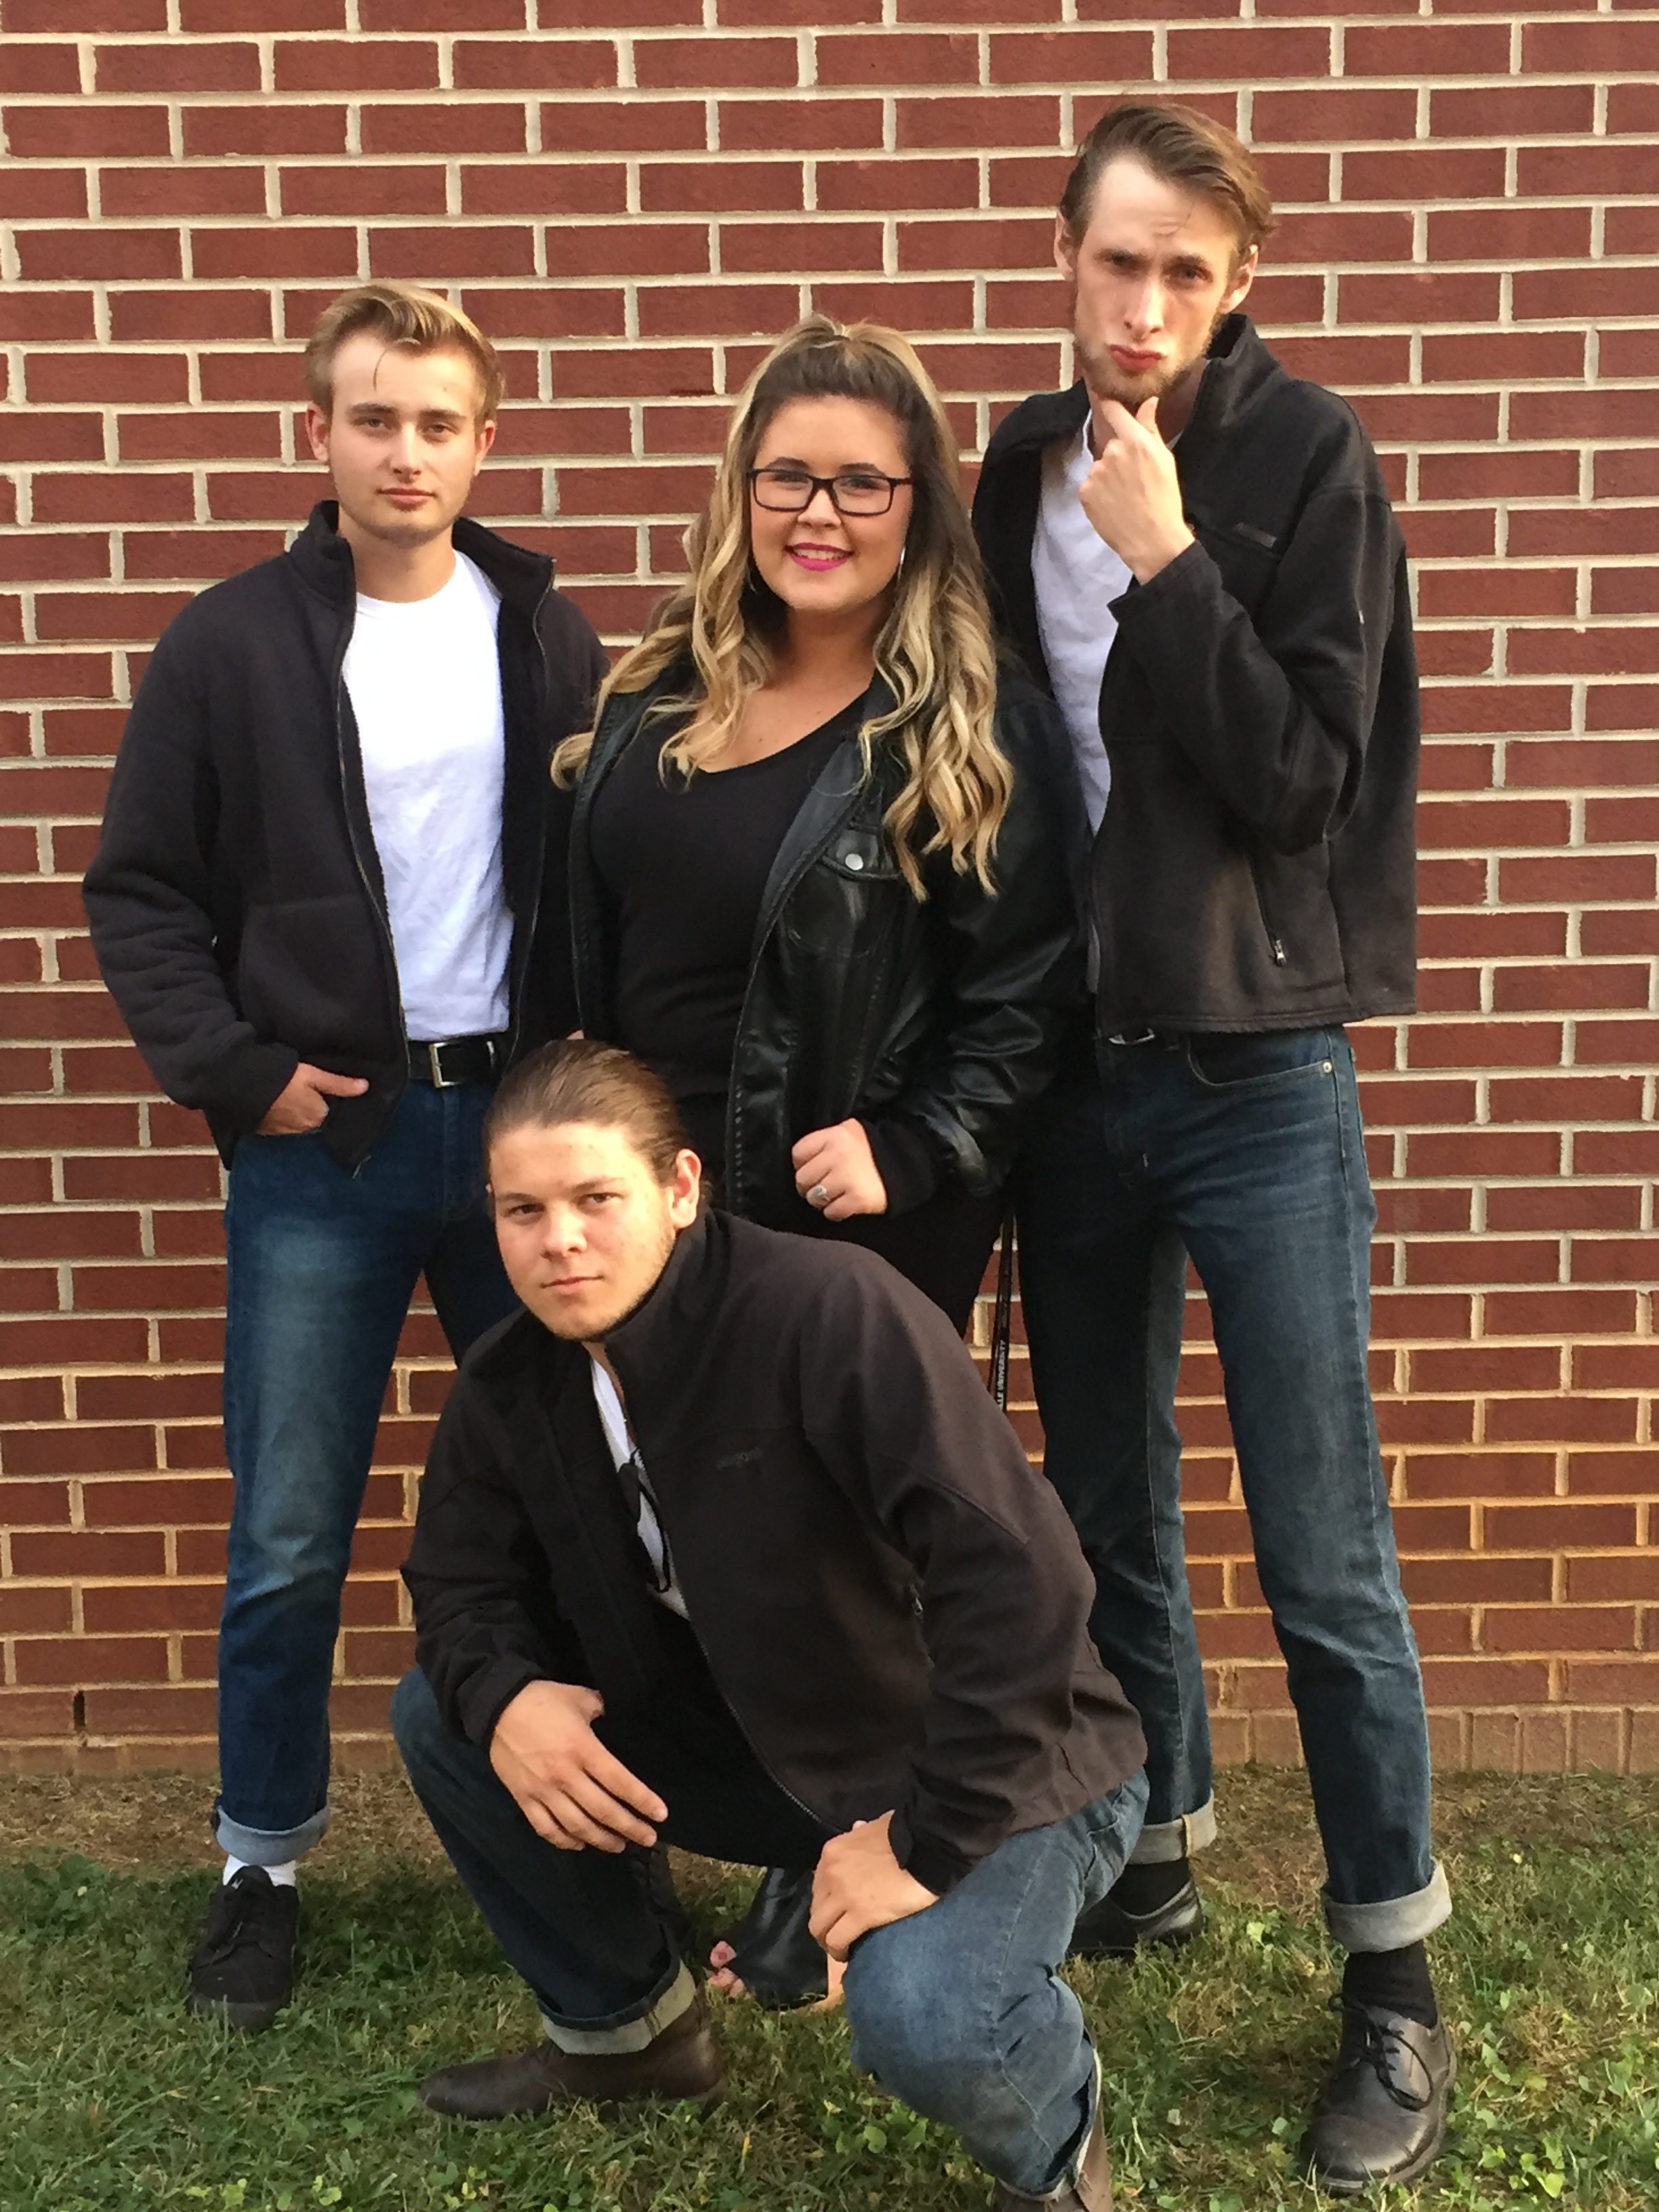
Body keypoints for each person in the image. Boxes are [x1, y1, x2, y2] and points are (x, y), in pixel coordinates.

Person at [970, 102, 1453, 2194]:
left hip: (1259, 1076)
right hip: (1078, 1083)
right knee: (1104, 1517)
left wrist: (1171, 559)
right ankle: (1152, 1853)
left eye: (1187, 269)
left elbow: (1303, 783)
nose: (1146, 303)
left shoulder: (1299, 463)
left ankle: (1394, 1983)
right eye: (1116, 262)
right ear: (1064, 264)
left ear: (1234, 282)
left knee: (1322, 1551)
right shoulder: (1005, 470)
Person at [81, 282, 607, 2033]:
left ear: (485, 440)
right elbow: (142, 890)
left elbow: (603, 873)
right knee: (293, 1526)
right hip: (329, 1145)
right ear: (320, 433)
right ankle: (261, 1861)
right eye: (374, 417)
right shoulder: (230, 644)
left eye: (439, 420)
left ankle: (597, 1829)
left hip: (519, 1136)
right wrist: (243, 1076)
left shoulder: (541, 632)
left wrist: (587, 1091)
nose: (406, 450)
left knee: (577, 1499)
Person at [392, 1038, 1147, 2212]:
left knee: (930, 2017)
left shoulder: (826, 1313)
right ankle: (628, 2032)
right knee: (449, 1714)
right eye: (523, 1211)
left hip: (1008, 1762)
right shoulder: (513, 1378)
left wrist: (918, 1843)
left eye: (598, 1199)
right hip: (769, 1747)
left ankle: (1057, 2140)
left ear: (681, 1190)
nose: (561, 1242)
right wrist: (505, 1696)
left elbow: (1026, 1585)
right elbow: (455, 1580)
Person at [557, 313, 1082, 1338]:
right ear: (743, 491)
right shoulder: (658, 693)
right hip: (646, 1212)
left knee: (825, 1496)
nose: (819, 513)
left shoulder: (977, 728)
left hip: (844, 1224)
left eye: (862, 484)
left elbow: (1030, 996)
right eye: (787, 476)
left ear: (917, 507)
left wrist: (915, 1146)